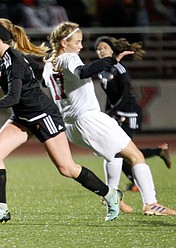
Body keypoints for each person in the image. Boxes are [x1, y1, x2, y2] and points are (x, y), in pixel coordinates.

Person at [0, 18, 122, 224]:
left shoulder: (13, 61)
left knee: (67, 169)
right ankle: (1, 209)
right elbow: (35, 70)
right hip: (23, 116)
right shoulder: (5, 60)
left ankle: (111, 194)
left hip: (43, 115)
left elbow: (13, 98)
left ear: (2, 38)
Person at [42, 21, 176, 216]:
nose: (80, 46)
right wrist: (110, 60)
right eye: (78, 42)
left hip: (71, 127)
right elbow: (82, 71)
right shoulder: (70, 57)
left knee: (113, 156)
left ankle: (113, 197)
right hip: (88, 118)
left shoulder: (48, 65)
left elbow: (50, 84)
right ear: (64, 42)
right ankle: (151, 204)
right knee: (136, 156)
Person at [94, 36, 172, 212]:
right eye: (98, 49)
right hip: (118, 114)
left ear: (112, 50)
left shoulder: (119, 68)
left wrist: (114, 113)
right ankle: (116, 195)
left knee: (121, 151)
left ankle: (117, 194)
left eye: (104, 48)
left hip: (129, 113)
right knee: (119, 152)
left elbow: (127, 93)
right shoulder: (102, 70)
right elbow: (111, 97)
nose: (101, 51)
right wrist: (109, 114)